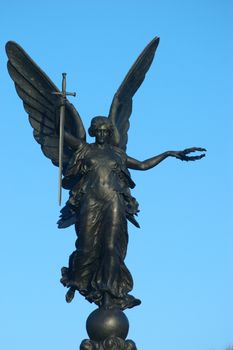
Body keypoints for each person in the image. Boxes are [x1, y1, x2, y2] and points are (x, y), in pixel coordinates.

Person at [57, 115, 205, 310]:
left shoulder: (117, 154)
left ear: (109, 132)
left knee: (111, 248)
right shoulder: (85, 149)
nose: (101, 134)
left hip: (113, 200)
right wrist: (63, 107)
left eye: (105, 131)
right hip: (91, 201)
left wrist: (168, 153)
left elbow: (143, 165)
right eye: (98, 131)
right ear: (93, 132)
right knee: (86, 246)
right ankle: (78, 280)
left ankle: (110, 292)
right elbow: (60, 134)